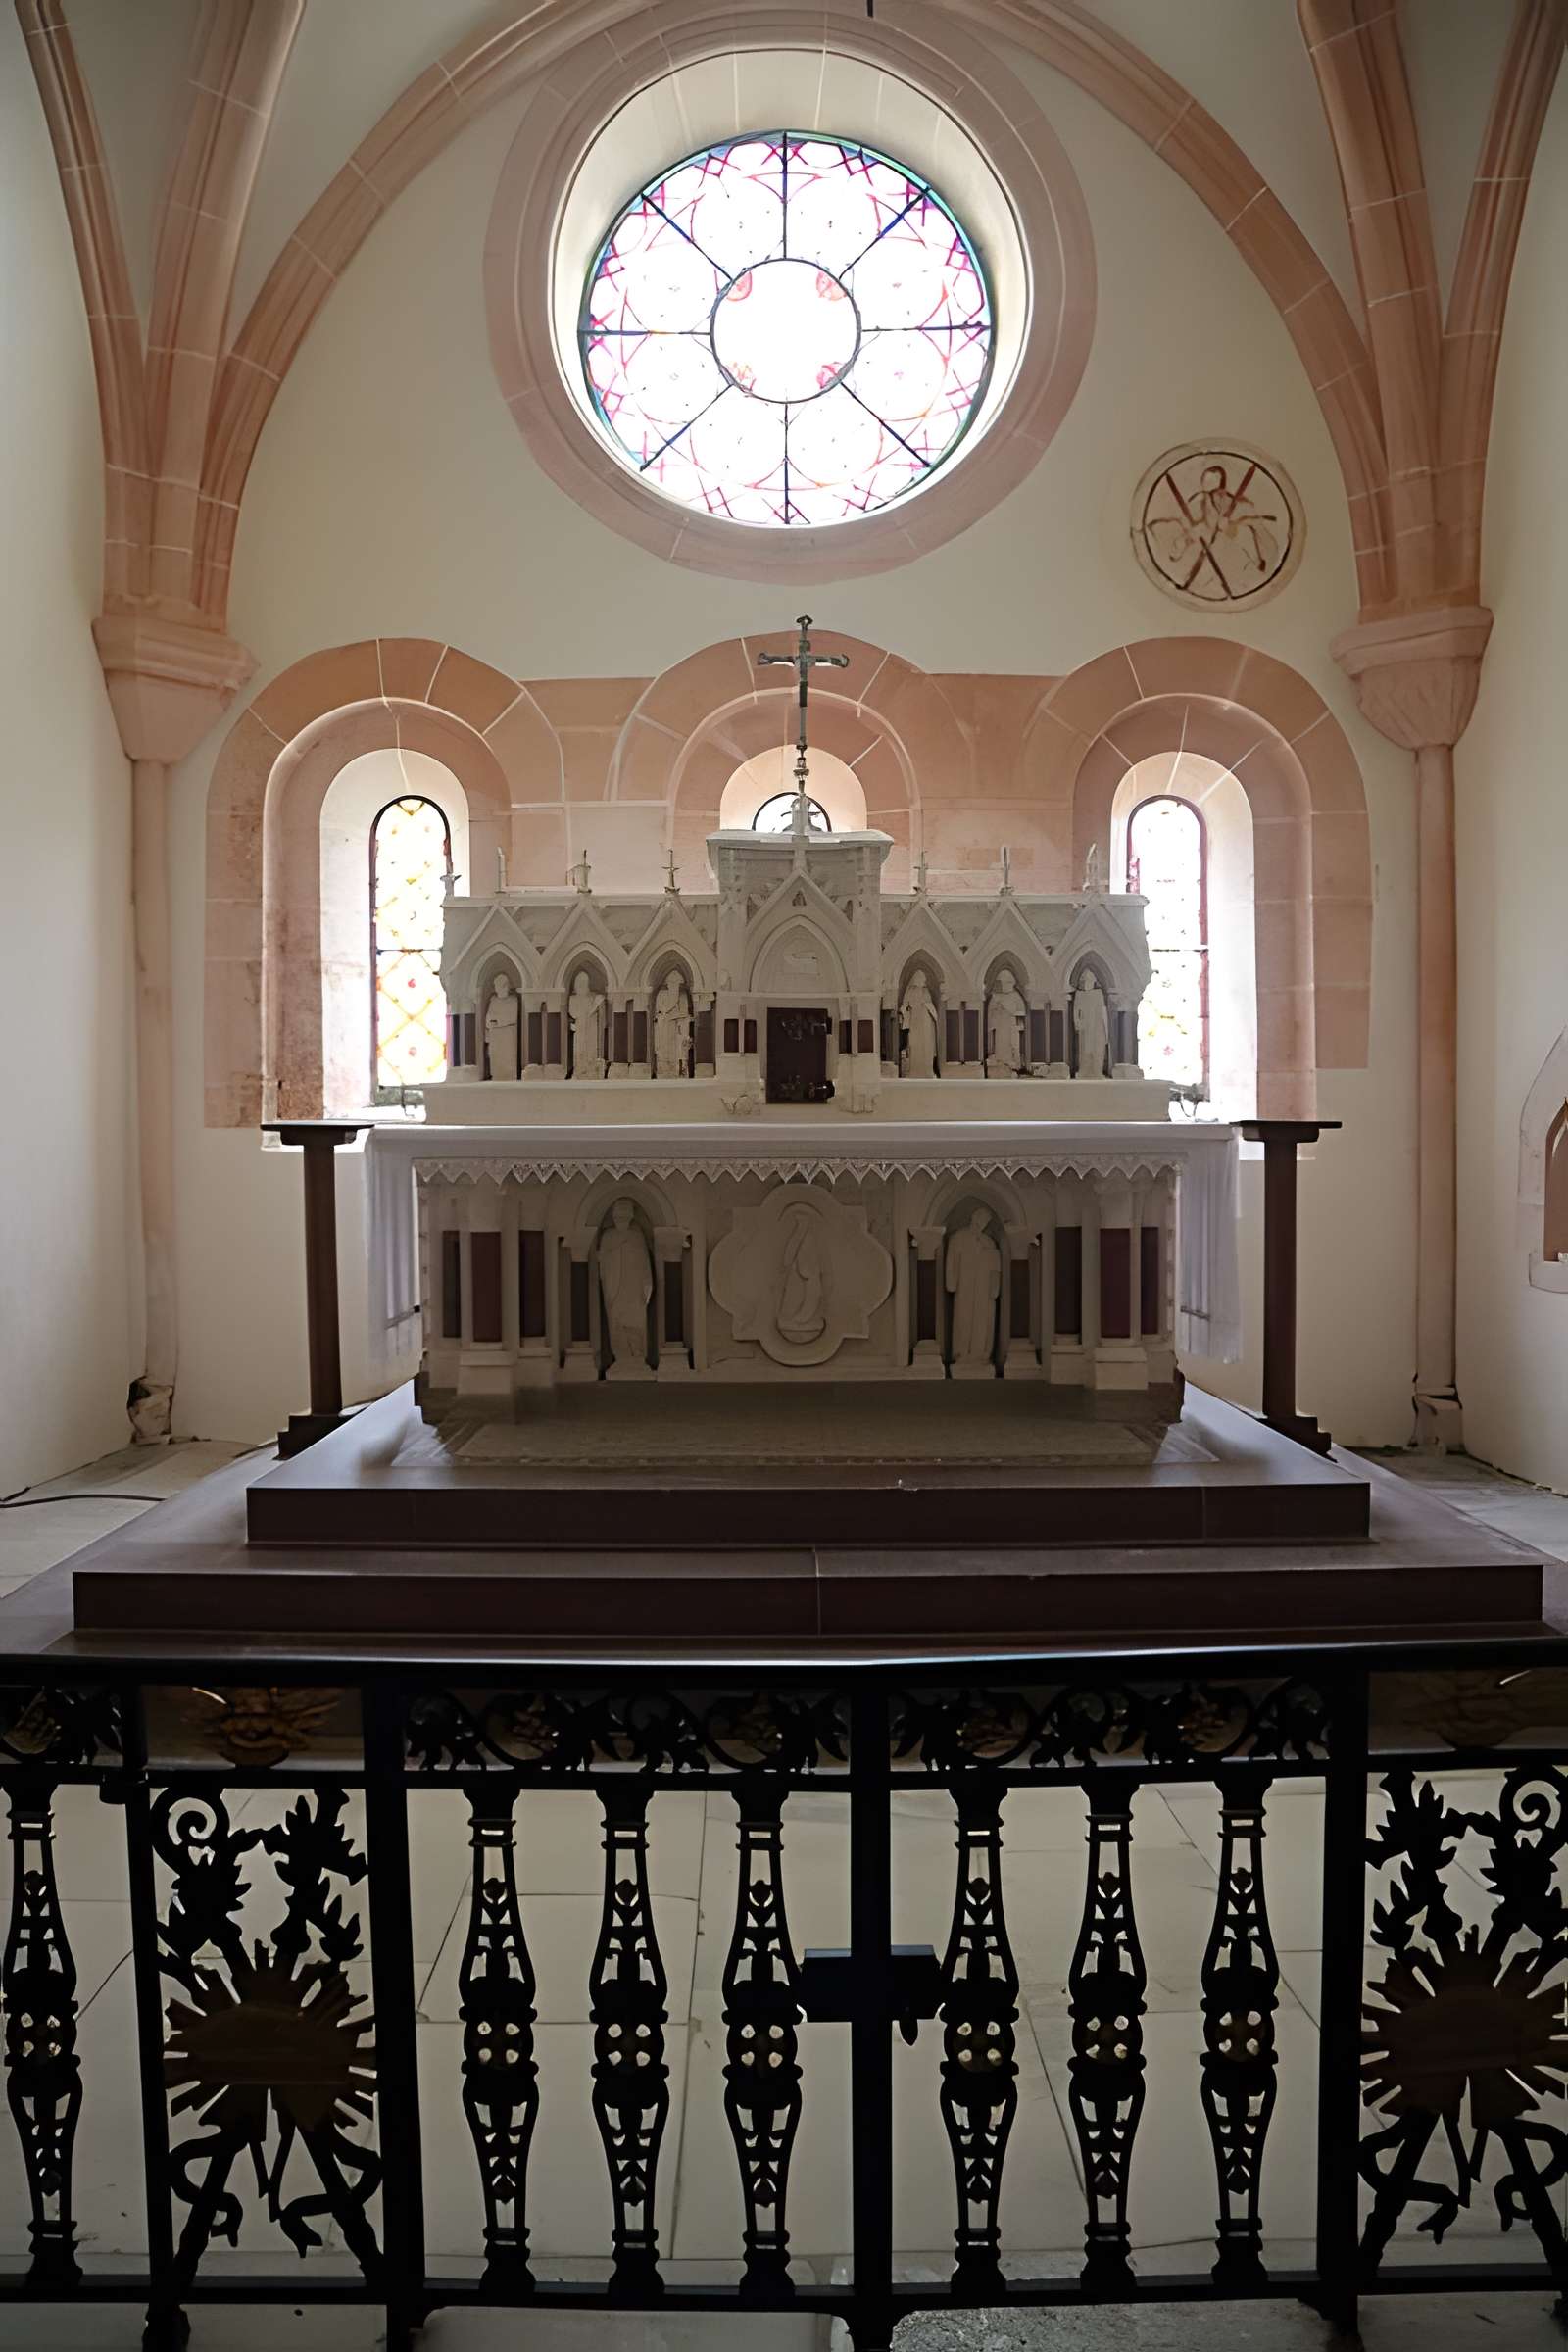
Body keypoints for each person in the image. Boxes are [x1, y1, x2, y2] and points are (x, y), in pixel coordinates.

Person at [599, 1200, 652, 1370]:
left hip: (634, 1287)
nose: (622, 1215)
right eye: (619, 1212)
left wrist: (647, 1283)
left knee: (636, 1320)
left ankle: (637, 1355)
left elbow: (645, 1262)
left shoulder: (637, 1236)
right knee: (617, 1320)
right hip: (615, 1287)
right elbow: (602, 1261)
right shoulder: (608, 1236)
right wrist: (618, 1251)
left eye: (626, 1212)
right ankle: (621, 1356)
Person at [946, 1208, 1001, 1365]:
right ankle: (961, 1353)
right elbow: (951, 1262)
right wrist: (951, 1282)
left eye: (985, 1220)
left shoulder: (988, 1241)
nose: (981, 1222)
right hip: (965, 1285)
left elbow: (995, 1268)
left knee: (982, 1320)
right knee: (963, 1317)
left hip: (983, 1288)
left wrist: (994, 1288)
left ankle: (981, 1352)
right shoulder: (958, 1238)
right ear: (973, 1217)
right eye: (980, 1218)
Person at [777, 1204, 826, 1342]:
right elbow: (789, 1257)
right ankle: (794, 1318)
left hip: (806, 1275)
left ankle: (800, 1319)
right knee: (793, 1297)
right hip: (799, 1275)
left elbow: (805, 1263)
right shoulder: (800, 1237)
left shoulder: (807, 1238)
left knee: (806, 1298)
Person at [900, 970, 941, 1080]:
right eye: (922, 978)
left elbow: (929, 1004)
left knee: (927, 1044)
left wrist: (935, 1016)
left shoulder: (925, 990)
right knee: (915, 1043)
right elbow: (904, 1006)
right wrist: (905, 1012)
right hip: (915, 1020)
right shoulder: (910, 991)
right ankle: (916, 1070)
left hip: (925, 1020)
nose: (924, 980)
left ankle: (927, 1070)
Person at [986, 967, 1026, 1077]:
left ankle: (1013, 1064)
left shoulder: (1016, 996)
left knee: (1013, 1044)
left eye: (1006, 983)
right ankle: (1002, 1062)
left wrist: (1008, 1008)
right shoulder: (996, 996)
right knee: (1000, 1044)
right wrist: (996, 1009)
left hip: (1012, 1025)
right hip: (1000, 1026)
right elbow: (990, 1013)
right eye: (1002, 983)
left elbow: (1022, 1011)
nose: (1004, 986)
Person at [1072, 971, 1110, 1080]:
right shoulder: (1080, 994)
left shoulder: (1098, 993)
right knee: (1085, 1049)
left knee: (1098, 1048)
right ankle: (1084, 1071)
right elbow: (1075, 1010)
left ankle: (1097, 1070)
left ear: (1093, 981)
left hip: (1098, 1026)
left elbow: (1103, 1011)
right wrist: (1077, 1023)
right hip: (1085, 1025)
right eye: (1085, 980)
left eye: (1089, 980)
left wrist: (1106, 1031)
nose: (1087, 982)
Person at [567, 969, 605, 1078]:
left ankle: (591, 1070)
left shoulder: (592, 996)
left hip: (592, 1028)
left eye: (584, 981)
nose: (582, 984)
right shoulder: (573, 998)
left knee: (591, 1049)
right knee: (580, 1050)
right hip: (580, 1028)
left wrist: (597, 1003)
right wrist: (594, 1006)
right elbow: (574, 1014)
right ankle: (579, 1070)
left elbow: (599, 1013)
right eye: (580, 981)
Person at [483, 972, 519, 1081]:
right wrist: (496, 1022)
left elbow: (512, 1018)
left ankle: (508, 1075)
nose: (500, 988)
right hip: (495, 1036)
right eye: (498, 985)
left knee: (508, 1059)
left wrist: (498, 1021)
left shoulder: (513, 1000)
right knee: (496, 1059)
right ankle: (496, 1075)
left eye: (503, 985)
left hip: (507, 1035)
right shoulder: (493, 1000)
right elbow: (488, 1019)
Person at [653, 973, 691, 1079]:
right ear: (667, 983)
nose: (674, 984)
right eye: (671, 982)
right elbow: (660, 1011)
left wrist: (672, 1015)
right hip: (664, 1025)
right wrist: (667, 1014)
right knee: (663, 1047)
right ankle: (663, 1070)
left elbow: (684, 1013)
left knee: (680, 1049)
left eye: (676, 982)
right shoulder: (661, 994)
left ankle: (680, 1071)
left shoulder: (682, 995)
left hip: (678, 1026)